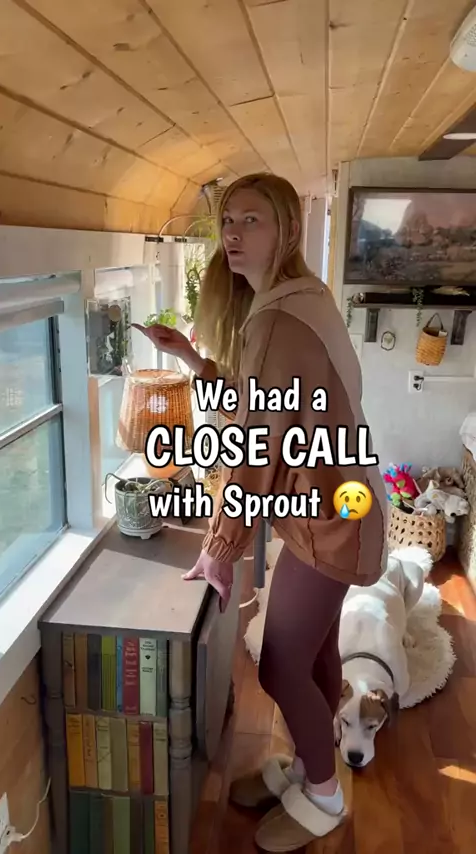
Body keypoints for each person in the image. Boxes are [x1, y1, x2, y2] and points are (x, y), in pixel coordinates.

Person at [133, 173, 387, 850]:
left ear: (289, 230)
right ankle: (309, 764)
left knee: (277, 664)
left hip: (331, 521)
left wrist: (219, 547)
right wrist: (192, 359)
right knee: (316, 650)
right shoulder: (297, 298)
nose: (234, 235)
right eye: (227, 222)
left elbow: (253, 448)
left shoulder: (277, 317)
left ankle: (325, 797)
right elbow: (261, 404)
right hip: (337, 503)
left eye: (253, 220)